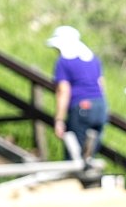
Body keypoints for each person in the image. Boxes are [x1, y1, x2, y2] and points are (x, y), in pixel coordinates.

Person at [46, 25, 109, 159]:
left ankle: (73, 177)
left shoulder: (64, 62)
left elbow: (63, 90)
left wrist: (59, 119)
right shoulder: (94, 60)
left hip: (81, 107)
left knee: (74, 152)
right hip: (100, 106)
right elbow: (101, 84)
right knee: (90, 153)